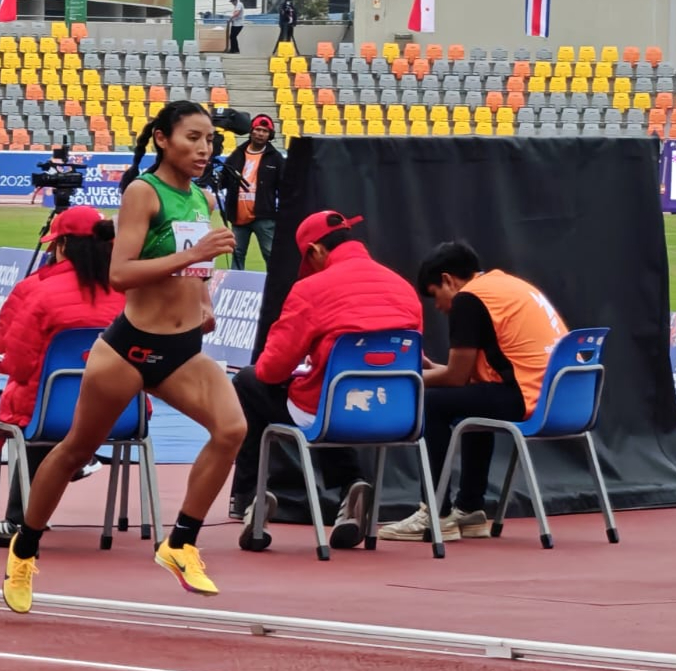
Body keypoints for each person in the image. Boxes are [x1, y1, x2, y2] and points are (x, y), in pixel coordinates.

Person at [1, 100, 247, 614]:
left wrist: (203, 301)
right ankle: (24, 549)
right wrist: (194, 256)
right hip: (130, 348)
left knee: (231, 430)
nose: (204, 149)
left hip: (182, 350)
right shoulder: (143, 191)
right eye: (192, 138)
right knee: (73, 448)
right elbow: (120, 273)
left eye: (209, 140)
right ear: (162, 138)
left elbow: (192, 269)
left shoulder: (201, 198)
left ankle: (180, 543)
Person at [229, 211, 423, 551]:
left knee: (249, 382)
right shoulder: (402, 286)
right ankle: (351, 484)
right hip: (399, 413)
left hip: (332, 410)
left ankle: (251, 497)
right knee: (333, 402)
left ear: (316, 251)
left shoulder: (311, 289)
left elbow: (270, 370)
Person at [379, 241, 568, 542]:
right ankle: (470, 508)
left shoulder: (469, 298)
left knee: (430, 403)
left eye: (435, 296)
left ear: (447, 280)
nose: (439, 307)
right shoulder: (507, 286)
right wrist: (430, 369)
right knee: (474, 399)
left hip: (526, 396)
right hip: (561, 399)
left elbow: (455, 378)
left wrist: (409, 377)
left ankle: (435, 512)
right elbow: (465, 377)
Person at [0, 205, 124, 545]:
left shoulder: (34, 291)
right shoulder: (129, 292)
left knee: (30, 408)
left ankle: (19, 520)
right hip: (121, 415)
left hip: (48, 415)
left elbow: (13, 363)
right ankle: (79, 457)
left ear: (60, 246)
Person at [219, 115, 283, 270]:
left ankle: (276, 289)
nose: (260, 133)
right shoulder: (237, 154)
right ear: (251, 131)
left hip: (264, 217)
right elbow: (223, 181)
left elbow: (285, 187)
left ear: (270, 135)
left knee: (271, 254)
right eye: (257, 130)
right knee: (237, 254)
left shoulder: (276, 158)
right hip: (238, 217)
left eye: (265, 131)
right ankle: (235, 287)